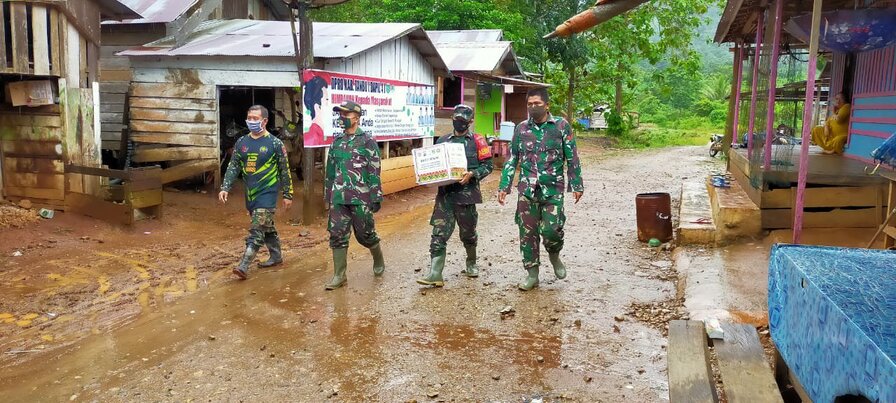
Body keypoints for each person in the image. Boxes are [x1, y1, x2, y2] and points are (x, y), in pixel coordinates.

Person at [497, 87, 584, 291]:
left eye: (537, 104)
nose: (533, 107)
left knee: (552, 230)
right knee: (527, 232)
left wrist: (576, 184)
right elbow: (513, 159)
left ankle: (554, 256)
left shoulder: (561, 126)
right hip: (527, 190)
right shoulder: (521, 129)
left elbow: (572, 157)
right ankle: (532, 274)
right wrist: (504, 186)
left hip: (553, 189)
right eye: (529, 104)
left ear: (547, 105)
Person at [417, 105, 494, 287]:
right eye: (456, 118)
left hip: (466, 197)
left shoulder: (478, 141)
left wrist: (473, 174)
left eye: (463, 119)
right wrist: (429, 176)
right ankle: (435, 273)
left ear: (470, 121)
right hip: (445, 196)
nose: (459, 122)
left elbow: (488, 166)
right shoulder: (443, 141)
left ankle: (471, 262)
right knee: (438, 234)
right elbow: (433, 166)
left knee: (468, 233)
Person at [219, 105, 294, 280]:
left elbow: (285, 170)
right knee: (266, 225)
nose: (251, 121)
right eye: (249, 117)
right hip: (250, 194)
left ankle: (244, 265)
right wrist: (225, 187)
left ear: (265, 121)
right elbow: (233, 166)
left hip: (267, 192)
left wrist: (288, 194)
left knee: (257, 228)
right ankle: (276, 256)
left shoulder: (275, 144)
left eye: (255, 118)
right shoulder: (242, 142)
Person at [323, 100, 385, 290]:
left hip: (361, 197)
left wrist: (376, 196)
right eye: (340, 115)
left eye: (346, 115)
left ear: (356, 118)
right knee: (337, 234)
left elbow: (374, 171)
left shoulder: (367, 142)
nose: (342, 118)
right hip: (339, 197)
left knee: (365, 235)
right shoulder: (337, 143)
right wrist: (328, 196)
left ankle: (378, 257)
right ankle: (339, 275)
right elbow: (330, 172)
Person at [304, 75, 329, 146]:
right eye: (326, 99)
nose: (328, 104)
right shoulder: (313, 136)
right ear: (317, 106)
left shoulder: (320, 132)